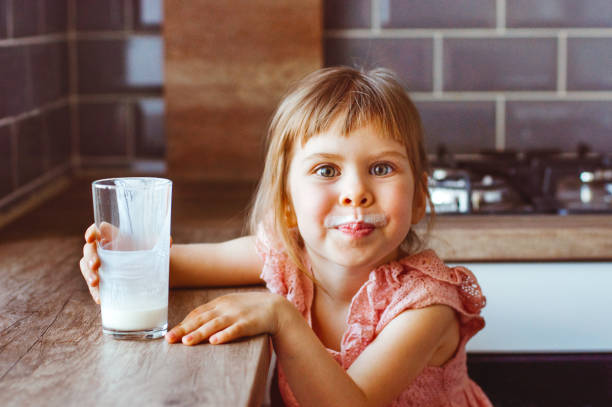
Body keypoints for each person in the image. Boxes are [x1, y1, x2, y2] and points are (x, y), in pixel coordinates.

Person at [79, 67, 492, 407]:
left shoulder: (425, 305)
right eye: (327, 170)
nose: (356, 191)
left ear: (420, 197)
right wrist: (116, 254)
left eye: (381, 168)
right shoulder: (288, 258)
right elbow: (167, 266)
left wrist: (281, 318)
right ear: (288, 203)